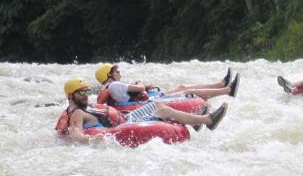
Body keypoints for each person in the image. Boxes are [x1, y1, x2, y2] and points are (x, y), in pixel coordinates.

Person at [58, 78, 228, 144]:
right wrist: (92, 139)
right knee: (160, 110)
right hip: (124, 125)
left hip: (125, 118)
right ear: (71, 95)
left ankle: (198, 120)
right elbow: (76, 134)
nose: (87, 95)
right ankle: (207, 121)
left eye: (88, 91)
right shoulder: (77, 113)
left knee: (157, 106)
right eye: (83, 92)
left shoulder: (83, 107)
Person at [95, 63, 238, 106]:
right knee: (183, 92)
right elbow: (140, 88)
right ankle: (227, 90)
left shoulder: (109, 87)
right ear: (109, 75)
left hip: (146, 100)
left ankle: (220, 84)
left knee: (182, 87)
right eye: (117, 72)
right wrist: (141, 83)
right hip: (148, 103)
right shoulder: (114, 86)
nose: (120, 74)